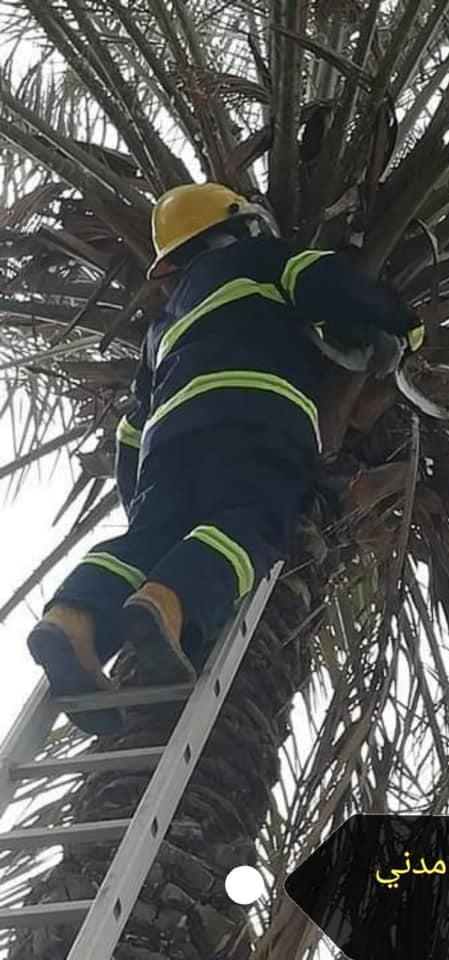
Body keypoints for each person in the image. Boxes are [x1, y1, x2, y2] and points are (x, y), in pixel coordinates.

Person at [26, 182, 424, 736]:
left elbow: (131, 429)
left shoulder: (161, 330)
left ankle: (72, 619)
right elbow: (325, 282)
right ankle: (170, 602)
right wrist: (402, 325)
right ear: (241, 226)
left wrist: (142, 505)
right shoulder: (261, 259)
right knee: (249, 520)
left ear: (174, 263)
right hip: (254, 418)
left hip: (167, 445)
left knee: (147, 542)